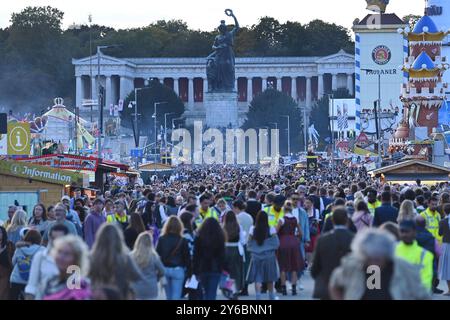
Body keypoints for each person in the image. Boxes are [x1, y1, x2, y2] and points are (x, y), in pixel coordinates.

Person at [329, 229, 430, 300]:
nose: (373, 263)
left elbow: (423, 295)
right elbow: (335, 284)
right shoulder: (352, 265)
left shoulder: (404, 268)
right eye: (369, 258)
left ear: (387, 255)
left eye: (377, 259)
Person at [89, 223, 143, 299]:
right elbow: (137, 276)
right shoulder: (124, 258)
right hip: (120, 295)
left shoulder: (92, 258)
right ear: (118, 238)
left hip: (97, 296)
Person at [311, 207, 354, 300]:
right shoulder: (354, 239)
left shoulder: (323, 240)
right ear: (347, 220)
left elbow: (315, 267)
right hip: (348, 286)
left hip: (327, 286)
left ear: (332, 220)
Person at [25, 224, 69, 300]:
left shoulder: (73, 260)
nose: (56, 241)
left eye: (60, 238)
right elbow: (32, 285)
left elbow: (75, 289)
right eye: (53, 238)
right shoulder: (40, 257)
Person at [42, 235, 91, 300]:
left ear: (77, 259)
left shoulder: (78, 284)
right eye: (59, 251)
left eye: (67, 254)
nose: (61, 257)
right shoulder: (51, 280)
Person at [246, 211, 280, 300]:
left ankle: (258, 296)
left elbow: (249, 242)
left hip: (256, 256)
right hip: (269, 256)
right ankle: (271, 296)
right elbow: (276, 242)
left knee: (258, 277)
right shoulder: (271, 228)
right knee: (270, 277)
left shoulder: (252, 229)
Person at [156, 216, 191, 300]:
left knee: (168, 296)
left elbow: (157, 255)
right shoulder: (183, 240)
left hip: (165, 269)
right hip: (178, 269)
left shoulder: (161, 239)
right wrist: (190, 272)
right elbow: (187, 257)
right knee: (176, 296)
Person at [395, 220, 434, 292]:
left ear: (415, 232)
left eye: (407, 231)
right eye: (402, 231)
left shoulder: (425, 255)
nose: (404, 234)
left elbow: (426, 283)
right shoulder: (392, 251)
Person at [194, 217, 226, 300]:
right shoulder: (220, 238)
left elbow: (196, 255)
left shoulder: (199, 237)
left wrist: (194, 270)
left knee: (203, 290)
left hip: (202, 268)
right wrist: (226, 268)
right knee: (212, 292)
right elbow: (222, 255)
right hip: (215, 268)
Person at [276, 201, 303, 296]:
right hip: (293, 241)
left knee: (283, 267)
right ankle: (294, 288)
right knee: (294, 266)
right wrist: (297, 239)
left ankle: (283, 289)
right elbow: (301, 233)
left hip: (283, 241)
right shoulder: (295, 219)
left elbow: (275, 231)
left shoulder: (282, 219)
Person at [9, 229, 44, 300]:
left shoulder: (19, 248)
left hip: (16, 280)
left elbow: (13, 262)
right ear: (39, 239)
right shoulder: (43, 250)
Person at [130, 232, 165, 300]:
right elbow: (162, 271)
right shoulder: (154, 256)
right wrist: (156, 278)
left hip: (136, 289)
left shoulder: (131, 256)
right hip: (151, 288)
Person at [232, 199, 253, 295]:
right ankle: (246, 288)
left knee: (239, 267)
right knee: (247, 266)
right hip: (249, 243)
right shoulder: (249, 217)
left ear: (236, 208)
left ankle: (240, 287)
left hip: (240, 244)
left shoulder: (237, 217)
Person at [222, 211, 245, 297]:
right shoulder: (238, 227)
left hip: (226, 249)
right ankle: (236, 288)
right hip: (236, 249)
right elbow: (243, 241)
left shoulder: (223, 227)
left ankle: (228, 287)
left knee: (227, 271)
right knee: (237, 271)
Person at [438, 203, 450, 295]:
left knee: (447, 268)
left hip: (447, 245)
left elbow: (440, 233)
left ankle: (449, 289)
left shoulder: (442, 222)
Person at [0, 226, 12, 300]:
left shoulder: (9, 245)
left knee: (3, 294)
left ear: (3, 233)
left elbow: (13, 259)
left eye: (0, 232)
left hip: (5, 273)